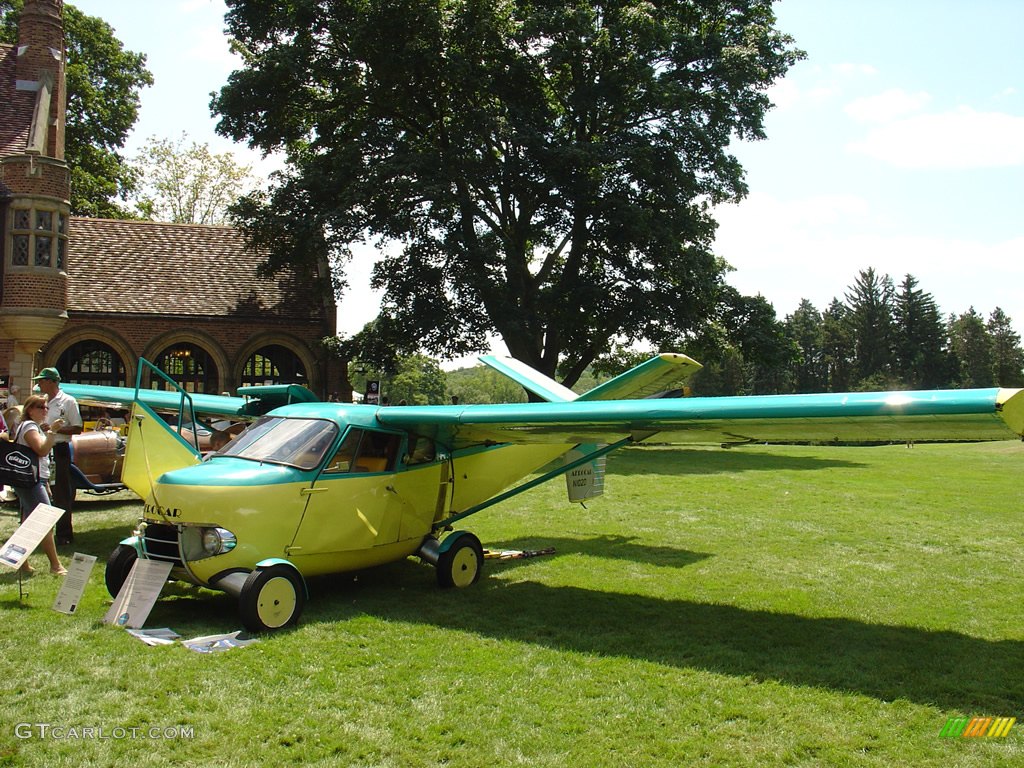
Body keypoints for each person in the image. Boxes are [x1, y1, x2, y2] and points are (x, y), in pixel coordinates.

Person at [12, 394, 67, 575]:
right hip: (31, 481)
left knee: (28, 523)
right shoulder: (29, 427)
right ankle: (55, 565)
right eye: (41, 407)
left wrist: (46, 483)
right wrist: (52, 432)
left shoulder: (31, 427)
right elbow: (42, 451)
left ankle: (21, 563)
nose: (45, 410)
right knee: (45, 521)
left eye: (46, 407)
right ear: (30, 410)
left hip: (34, 480)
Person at [31, 367, 82, 545]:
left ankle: (64, 535)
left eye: (42, 380)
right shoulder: (42, 401)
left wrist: (56, 429)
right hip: (40, 448)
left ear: (53, 381)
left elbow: (78, 428)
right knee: (38, 490)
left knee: (61, 493)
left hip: (59, 450)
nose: (39, 384)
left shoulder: (68, 401)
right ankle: (39, 534)